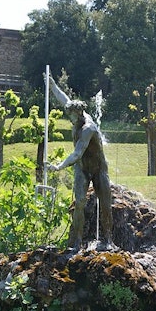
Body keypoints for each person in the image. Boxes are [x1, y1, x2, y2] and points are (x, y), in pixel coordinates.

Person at [46, 74, 113, 250]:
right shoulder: (75, 113)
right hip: (82, 168)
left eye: (72, 117)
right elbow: (64, 99)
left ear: (79, 114)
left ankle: (108, 240)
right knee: (80, 202)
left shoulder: (88, 129)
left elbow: (77, 154)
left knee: (105, 203)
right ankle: (76, 242)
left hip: (98, 168)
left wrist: (59, 166)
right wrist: (52, 85)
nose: (70, 120)